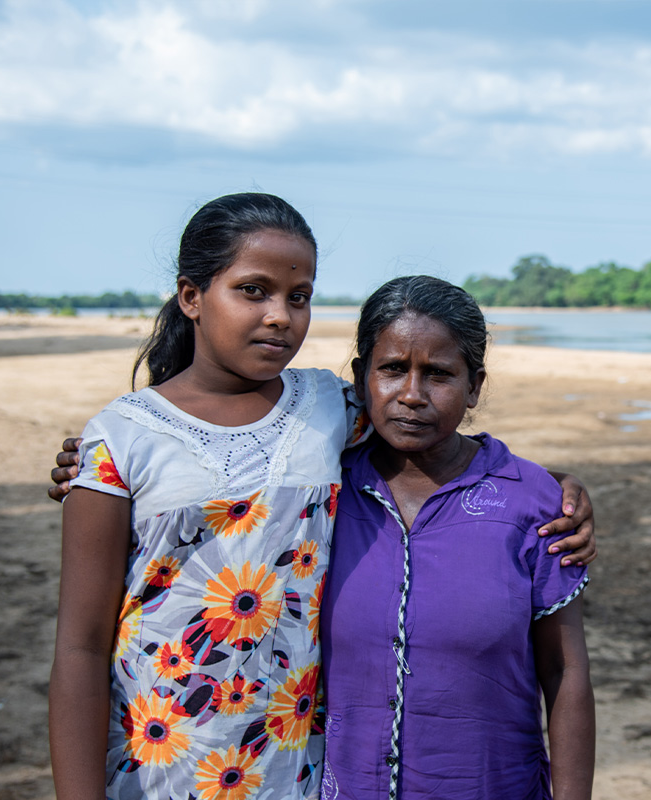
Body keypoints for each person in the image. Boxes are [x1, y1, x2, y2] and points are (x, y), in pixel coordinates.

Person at [48, 193, 595, 800]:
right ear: (191, 297)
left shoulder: (326, 408)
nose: (281, 315)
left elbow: (430, 421)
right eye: (253, 290)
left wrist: (559, 490)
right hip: (158, 771)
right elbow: (79, 648)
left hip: (296, 776)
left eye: (299, 296)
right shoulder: (122, 438)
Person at [320, 276, 594, 800]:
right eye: (393, 369)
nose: (412, 395)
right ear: (361, 378)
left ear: (474, 387)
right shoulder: (323, 488)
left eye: (439, 374)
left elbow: (565, 670)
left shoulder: (532, 501)